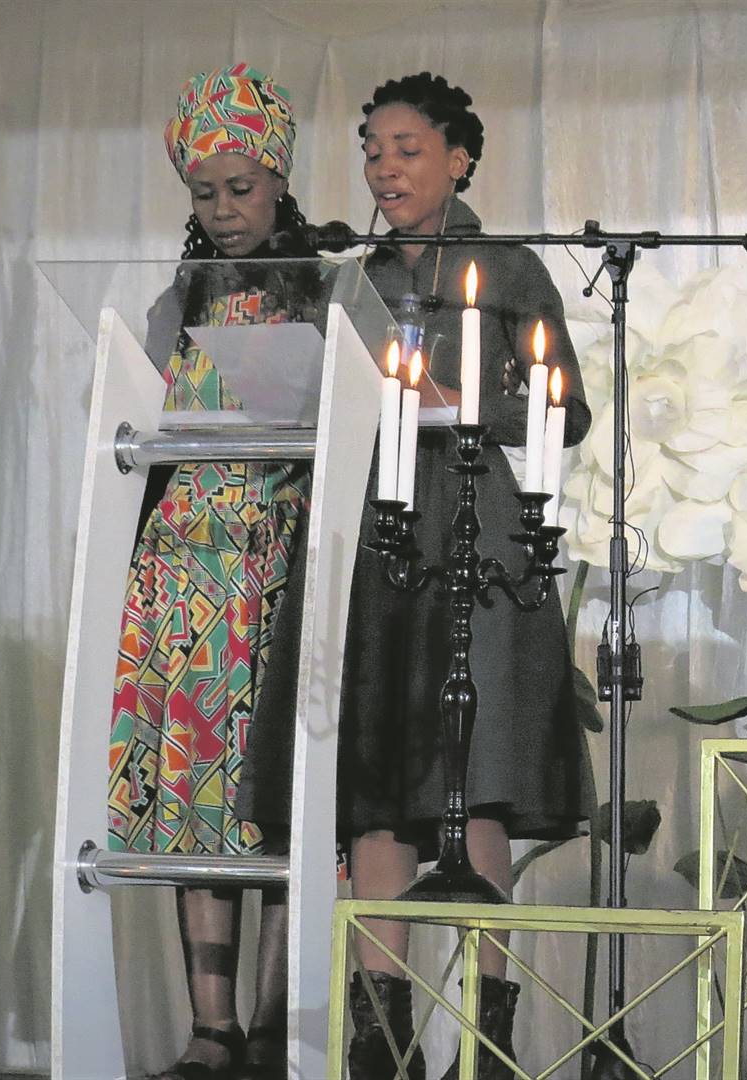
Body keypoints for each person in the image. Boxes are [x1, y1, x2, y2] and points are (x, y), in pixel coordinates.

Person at [242, 71, 591, 1080]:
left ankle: (487, 1034)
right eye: (373, 153)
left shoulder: (510, 267)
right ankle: (378, 1039)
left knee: (474, 779)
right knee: (377, 780)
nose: (385, 170)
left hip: (476, 530)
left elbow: (563, 412)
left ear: (458, 159)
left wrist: (457, 400)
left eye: (406, 150)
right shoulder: (347, 277)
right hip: (369, 531)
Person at [106, 63, 320, 1080]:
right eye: (206, 192)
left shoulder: (323, 286)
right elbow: (135, 424)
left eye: (242, 187)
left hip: (275, 561)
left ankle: (275, 1023)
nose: (225, 209)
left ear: (279, 181)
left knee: (269, 791)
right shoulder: (176, 300)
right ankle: (211, 1025)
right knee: (195, 798)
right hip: (183, 564)